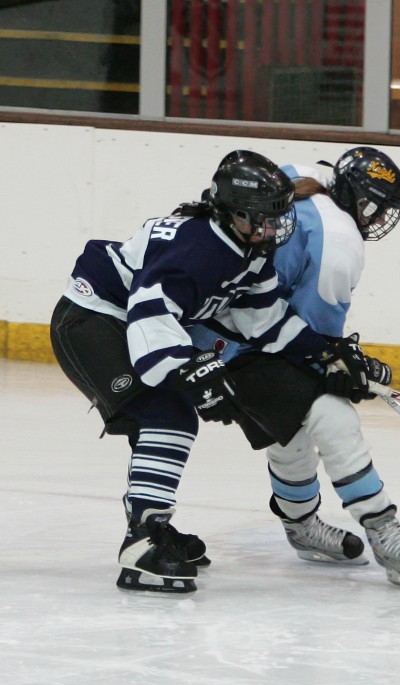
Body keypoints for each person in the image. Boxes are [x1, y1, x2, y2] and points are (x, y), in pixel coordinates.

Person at [50, 150, 372, 594]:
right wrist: (189, 371)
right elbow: (149, 312)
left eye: (278, 217)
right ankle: (143, 544)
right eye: (261, 218)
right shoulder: (197, 248)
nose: (273, 229)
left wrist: (324, 351)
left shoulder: (248, 248)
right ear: (231, 212)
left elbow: (264, 322)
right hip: (91, 319)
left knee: (169, 415)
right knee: (166, 413)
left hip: (124, 323)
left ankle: (152, 528)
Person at [188, 147, 400, 588]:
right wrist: (337, 364)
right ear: (356, 196)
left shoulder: (303, 174)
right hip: (227, 339)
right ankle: (380, 527)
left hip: (201, 319)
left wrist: (331, 359)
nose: (377, 220)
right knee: (330, 413)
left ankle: (301, 526)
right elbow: (312, 342)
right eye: (374, 208)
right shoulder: (340, 240)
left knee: (294, 419)